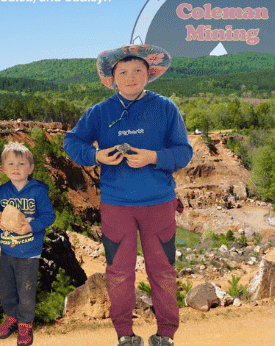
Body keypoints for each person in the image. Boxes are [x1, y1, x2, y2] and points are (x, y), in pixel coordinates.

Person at [63, 44, 192, 346]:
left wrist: (154, 157)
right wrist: (97, 156)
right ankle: (124, 334)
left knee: (162, 270)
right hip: (116, 205)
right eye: (123, 71)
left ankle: (166, 334)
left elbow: (183, 151)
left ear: (149, 74)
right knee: (119, 272)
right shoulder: (99, 112)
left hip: (159, 203)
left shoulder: (166, 108)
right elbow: (72, 142)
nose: (131, 76)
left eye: (138, 70)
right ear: (113, 78)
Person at [0, 141, 55, 346]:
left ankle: (25, 324)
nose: (16, 168)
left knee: (26, 291)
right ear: (3, 168)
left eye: (21, 164)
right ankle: (12, 317)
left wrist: (31, 226)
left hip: (29, 252)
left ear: (31, 168)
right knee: (7, 289)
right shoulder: (2, 192)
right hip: (8, 249)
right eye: (10, 164)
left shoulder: (37, 191)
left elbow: (49, 216)